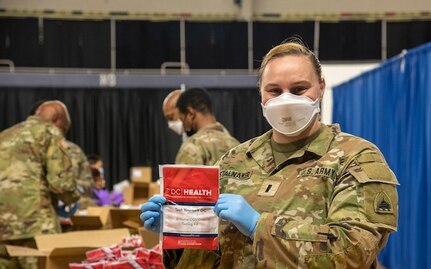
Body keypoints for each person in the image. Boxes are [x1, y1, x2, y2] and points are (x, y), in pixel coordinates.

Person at [141, 39, 399, 268]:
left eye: (299, 89)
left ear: (321, 87)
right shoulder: (234, 160)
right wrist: (179, 231)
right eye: (274, 91)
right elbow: (209, 257)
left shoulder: (356, 157)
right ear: (261, 95)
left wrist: (259, 226)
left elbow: (353, 253)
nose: (285, 100)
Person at [142, 87, 240, 268]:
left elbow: (182, 211)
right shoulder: (237, 146)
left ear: (190, 114)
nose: (179, 124)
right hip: (232, 248)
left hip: (200, 251)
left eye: (179, 118)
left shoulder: (192, 147)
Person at [0, 100, 81, 268]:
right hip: (36, 227)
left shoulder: (4, 135)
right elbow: (61, 184)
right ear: (58, 121)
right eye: (64, 128)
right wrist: (72, 199)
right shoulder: (50, 131)